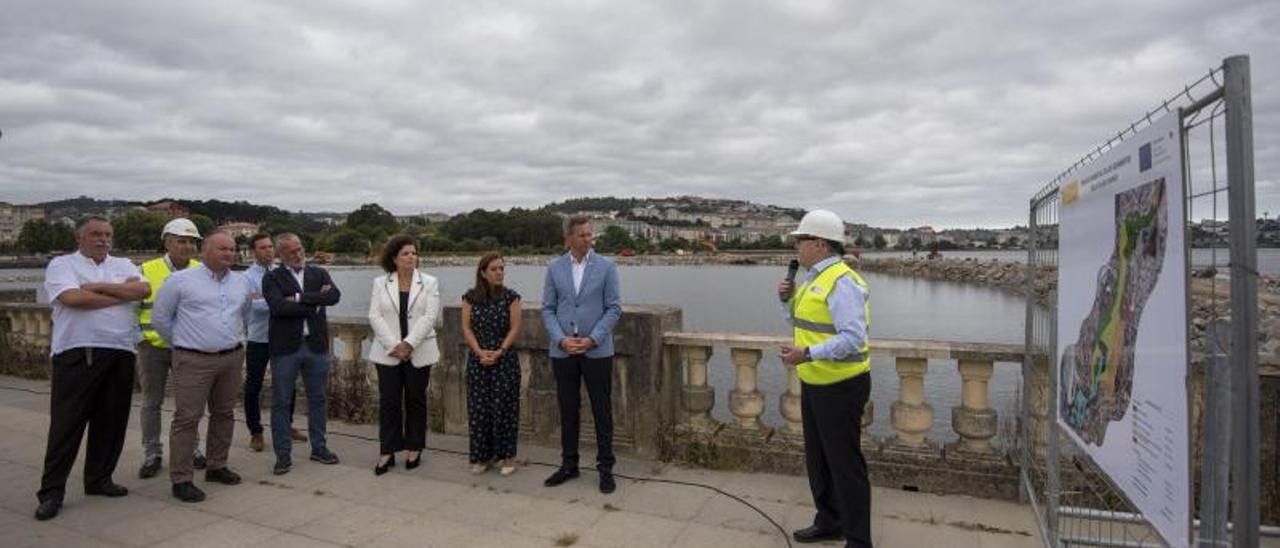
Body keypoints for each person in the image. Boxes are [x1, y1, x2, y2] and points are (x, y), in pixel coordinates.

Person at [35, 216, 150, 521]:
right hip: (78, 352)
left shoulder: (124, 264)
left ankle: (99, 479)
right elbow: (73, 298)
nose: (103, 239)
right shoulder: (62, 265)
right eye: (96, 234)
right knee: (66, 426)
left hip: (121, 351)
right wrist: (118, 294)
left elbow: (143, 291)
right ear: (79, 238)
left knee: (111, 423)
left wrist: (97, 288)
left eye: (108, 234)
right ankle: (51, 492)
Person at [776, 210, 873, 548]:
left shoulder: (842, 281)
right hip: (816, 381)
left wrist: (808, 354)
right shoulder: (814, 279)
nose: (796, 246)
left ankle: (859, 540)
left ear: (819, 243)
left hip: (841, 385)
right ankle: (829, 521)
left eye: (800, 240)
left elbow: (852, 338)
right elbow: (801, 321)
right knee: (818, 460)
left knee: (845, 465)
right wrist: (786, 300)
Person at [151, 232, 253, 503]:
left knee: (224, 413)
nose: (229, 254)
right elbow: (160, 319)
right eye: (223, 249)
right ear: (205, 250)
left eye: (232, 249)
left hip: (231, 358)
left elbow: (244, 315)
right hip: (193, 359)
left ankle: (217, 465)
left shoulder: (241, 283)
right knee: (187, 418)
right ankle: (181, 478)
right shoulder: (179, 281)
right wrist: (185, 345)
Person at [541, 216, 622, 493]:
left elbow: (613, 308)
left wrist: (592, 339)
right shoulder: (554, 268)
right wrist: (561, 339)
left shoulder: (607, 266)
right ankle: (569, 465)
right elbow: (548, 309)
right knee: (567, 409)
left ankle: (606, 468)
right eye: (583, 235)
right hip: (563, 351)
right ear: (568, 239)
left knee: (602, 411)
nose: (588, 239)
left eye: (590, 235)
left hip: (597, 350)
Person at [262, 233, 342, 475]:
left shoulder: (318, 273)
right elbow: (279, 307)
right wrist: (315, 304)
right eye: (291, 251)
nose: (298, 254)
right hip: (285, 349)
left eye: (300, 249)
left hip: (315, 346)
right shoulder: (272, 277)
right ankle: (283, 455)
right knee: (281, 402)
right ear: (280, 255)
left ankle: (319, 447)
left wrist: (299, 298)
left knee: (317, 399)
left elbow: (334, 296)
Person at [136, 217, 206, 479]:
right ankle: (152, 453)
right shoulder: (147, 270)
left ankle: (193, 449)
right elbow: (133, 309)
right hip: (153, 348)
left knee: (189, 404)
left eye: (192, 241)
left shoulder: (202, 270)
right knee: (151, 402)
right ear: (167, 242)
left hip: (188, 349)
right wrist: (139, 338)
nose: (187, 246)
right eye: (181, 241)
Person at [366, 235, 440, 476]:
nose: (412, 257)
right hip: (388, 353)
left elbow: (429, 317)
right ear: (394, 258)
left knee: (416, 400)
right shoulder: (380, 283)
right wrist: (395, 346)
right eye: (406, 253)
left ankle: (414, 447)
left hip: (419, 350)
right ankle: (387, 450)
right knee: (389, 402)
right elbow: (374, 316)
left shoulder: (429, 282)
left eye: (414, 253)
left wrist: (408, 344)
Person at [242, 233, 304, 452]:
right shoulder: (246, 277)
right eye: (262, 248)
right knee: (253, 386)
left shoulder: (284, 272)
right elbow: (252, 306)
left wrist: (271, 299)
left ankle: (286, 425)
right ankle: (255, 431)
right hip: (259, 338)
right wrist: (280, 300)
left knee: (288, 384)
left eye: (270, 247)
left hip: (283, 337)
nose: (268, 251)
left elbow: (299, 297)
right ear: (253, 251)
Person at [462, 253, 522, 476]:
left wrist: (500, 351)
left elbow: (515, 328)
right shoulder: (469, 298)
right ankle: (481, 457)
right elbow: (466, 328)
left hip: (504, 360)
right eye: (494, 269)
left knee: (505, 409)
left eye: (502, 268)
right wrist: (478, 351)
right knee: (479, 410)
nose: (499, 273)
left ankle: (507, 458)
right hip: (478, 360)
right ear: (483, 273)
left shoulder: (511, 297)